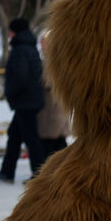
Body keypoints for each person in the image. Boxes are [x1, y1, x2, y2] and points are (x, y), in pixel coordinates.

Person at [0, 18, 46, 183]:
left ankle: (40, 176)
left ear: (15, 32)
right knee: (14, 136)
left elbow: (21, 78)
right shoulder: (29, 47)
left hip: (25, 102)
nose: (8, 34)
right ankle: (7, 171)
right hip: (28, 101)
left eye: (10, 31)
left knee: (31, 140)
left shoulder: (20, 50)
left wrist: (10, 91)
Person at [36, 32, 71, 161]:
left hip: (51, 107)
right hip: (58, 107)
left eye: (43, 41)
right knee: (59, 143)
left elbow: (47, 81)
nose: (41, 44)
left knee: (50, 144)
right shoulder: (61, 58)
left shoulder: (49, 60)